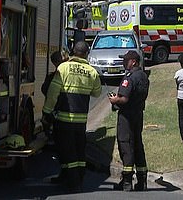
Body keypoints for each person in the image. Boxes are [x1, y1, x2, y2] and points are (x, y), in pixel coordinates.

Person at [42, 42, 101, 192]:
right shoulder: (92, 72)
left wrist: (47, 112)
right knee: (79, 150)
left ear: (73, 51)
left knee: (67, 150)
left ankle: (74, 183)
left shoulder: (63, 68)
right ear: (87, 54)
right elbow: (97, 93)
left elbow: (53, 93)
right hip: (81, 120)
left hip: (64, 118)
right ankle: (77, 177)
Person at [109, 50, 150, 192]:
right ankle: (142, 180)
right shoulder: (144, 76)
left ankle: (127, 181)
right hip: (138, 115)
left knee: (125, 144)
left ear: (133, 61)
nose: (123, 62)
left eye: (125, 60)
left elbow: (124, 98)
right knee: (138, 145)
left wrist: (115, 100)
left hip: (126, 116)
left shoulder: (129, 76)